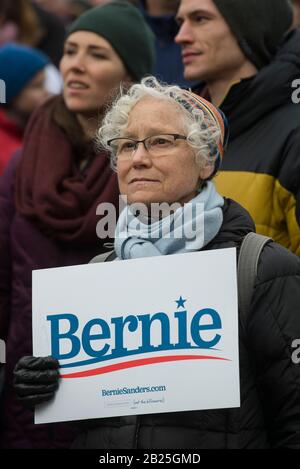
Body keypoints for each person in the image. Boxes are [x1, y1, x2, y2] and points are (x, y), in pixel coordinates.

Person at [13, 77, 300, 449]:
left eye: (160, 141)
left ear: (206, 161)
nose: (139, 158)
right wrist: (48, 385)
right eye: (127, 145)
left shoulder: (260, 268)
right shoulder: (97, 275)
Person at [0, 1, 155, 449]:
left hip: (119, 386)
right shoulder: (26, 162)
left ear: (131, 75)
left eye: (97, 55)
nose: (75, 66)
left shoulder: (152, 163)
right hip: (30, 387)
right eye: (70, 51)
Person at [175, 0, 300, 255]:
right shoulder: (170, 132)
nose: (181, 37)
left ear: (249, 28)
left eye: (200, 19)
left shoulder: (294, 134)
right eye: (181, 22)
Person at [0, 43, 50, 175]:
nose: (47, 93)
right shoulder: (8, 155)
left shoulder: (25, 131)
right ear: (12, 93)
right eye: (37, 86)